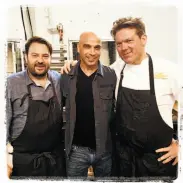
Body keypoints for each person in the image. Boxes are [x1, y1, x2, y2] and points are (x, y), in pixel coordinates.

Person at [61, 17, 179, 178]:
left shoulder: (169, 71)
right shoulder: (116, 70)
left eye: (129, 41)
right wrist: (74, 63)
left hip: (157, 161)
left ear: (143, 39)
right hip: (123, 159)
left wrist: (180, 146)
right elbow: (91, 68)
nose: (124, 48)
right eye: (119, 43)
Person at [6, 36, 66, 177]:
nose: (40, 60)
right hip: (23, 163)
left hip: (55, 162)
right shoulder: (11, 84)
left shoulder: (58, 80)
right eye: (35, 55)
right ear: (26, 57)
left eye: (45, 56)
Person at [61, 32, 116, 178]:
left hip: (104, 149)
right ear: (78, 48)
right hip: (76, 151)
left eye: (97, 48)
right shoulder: (67, 75)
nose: (92, 52)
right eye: (87, 47)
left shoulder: (111, 75)